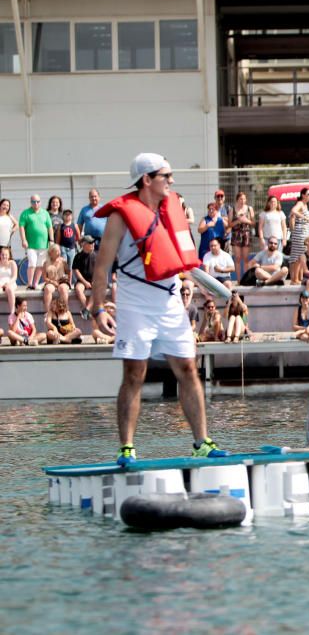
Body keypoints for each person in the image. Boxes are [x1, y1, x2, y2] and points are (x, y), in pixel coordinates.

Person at [90, 152, 226, 465]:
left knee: (189, 368)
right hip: (135, 303)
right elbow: (102, 267)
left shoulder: (171, 209)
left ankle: (201, 442)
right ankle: (127, 448)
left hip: (170, 300)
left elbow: (181, 261)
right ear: (147, 179)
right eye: (166, 175)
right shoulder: (121, 217)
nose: (172, 181)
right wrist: (99, 309)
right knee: (135, 374)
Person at [19, 194, 54, 290]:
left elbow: (49, 227)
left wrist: (51, 240)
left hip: (44, 244)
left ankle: (35, 283)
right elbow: (21, 227)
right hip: (31, 245)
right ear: (31, 202)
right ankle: (29, 284)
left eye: (38, 201)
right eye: (34, 202)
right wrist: (23, 240)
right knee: (32, 264)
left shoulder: (45, 213)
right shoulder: (25, 213)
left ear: (40, 202)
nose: (36, 203)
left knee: (40, 265)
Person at [288, 187, 309, 284]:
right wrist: (305, 218)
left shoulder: (305, 205)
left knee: (300, 257)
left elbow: (306, 222)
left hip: (304, 232)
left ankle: (298, 278)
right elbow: (293, 211)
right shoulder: (300, 204)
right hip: (299, 233)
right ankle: (294, 279)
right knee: (297, 256)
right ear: (303, 195)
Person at [230, 191, 255, 278]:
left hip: (246, 234)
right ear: (237, 200)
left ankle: (246, 278)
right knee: (237, 257)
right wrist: (238, 220)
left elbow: (253, 223)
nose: (242, 200)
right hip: (236, 234)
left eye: (244, 199)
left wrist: (246, 220)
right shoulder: (232, 209)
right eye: (241, 199)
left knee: (245, 258)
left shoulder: (249, 209)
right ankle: (239, 279)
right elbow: (230, 224)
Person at [72, 235, 99, 319]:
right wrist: (84, 282)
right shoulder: (78, 256)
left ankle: (87, 310)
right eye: (90, 243)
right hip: (82, 281)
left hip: (94, 280)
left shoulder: (96, 256)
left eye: (93, 242)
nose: (93, 244)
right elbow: (76, 271)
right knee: (78, 289)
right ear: (84, 244)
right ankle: (85, 308)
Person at [40, 243, 71, 312]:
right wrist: (52, 282)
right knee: (48, 289)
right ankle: (48, 312)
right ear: (51, 253)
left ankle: (65, 310)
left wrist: (68, 279)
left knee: (63, 288)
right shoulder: (46, 263)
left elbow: (68, 272)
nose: (59, 253)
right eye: (56, 251)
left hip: (62, 281)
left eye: (59, 251)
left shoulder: (63, 261)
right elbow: (44, 277)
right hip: (51, 282)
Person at [0, 246, 17, 315]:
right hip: (0, 282)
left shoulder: (12, 263)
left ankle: (12, 312)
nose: (4, 256)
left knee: (10, 289)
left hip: (10, 282)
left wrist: (8, 283)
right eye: (2, 254)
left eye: (6, 254)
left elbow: (14, 276)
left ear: (9, 255)